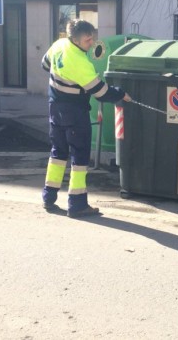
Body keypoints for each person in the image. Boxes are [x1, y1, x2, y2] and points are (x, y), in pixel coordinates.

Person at [41, 19, 131, 218]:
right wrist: (120, 94)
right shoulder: (80, 62)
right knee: (80, 158)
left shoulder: (59, 44)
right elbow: (100, 92)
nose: (92, 44)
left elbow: (45, 64)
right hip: (75, 113)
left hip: (55, 108)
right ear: (76, 39)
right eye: (88, 40)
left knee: (57, 153)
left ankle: (48, 197)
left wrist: (60, 78)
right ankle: (77, 204)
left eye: (93, 38)